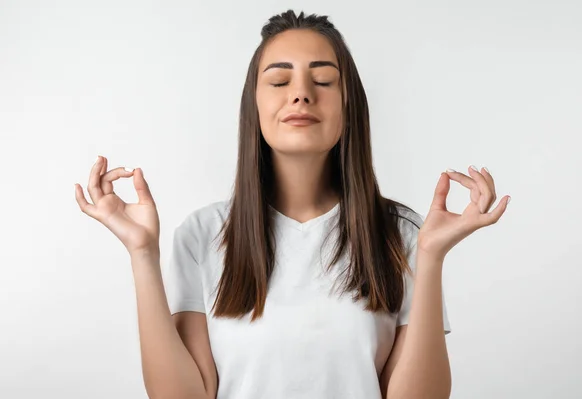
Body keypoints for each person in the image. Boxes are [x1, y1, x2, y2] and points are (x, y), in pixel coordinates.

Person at [75, 9, 510, 399]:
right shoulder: (203, 234)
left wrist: (431, 256)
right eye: (280, 81)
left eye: (322, 80)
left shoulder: (402, 232)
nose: (301, 94)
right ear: (255, 105)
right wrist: (141, 254)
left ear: (349, 105)